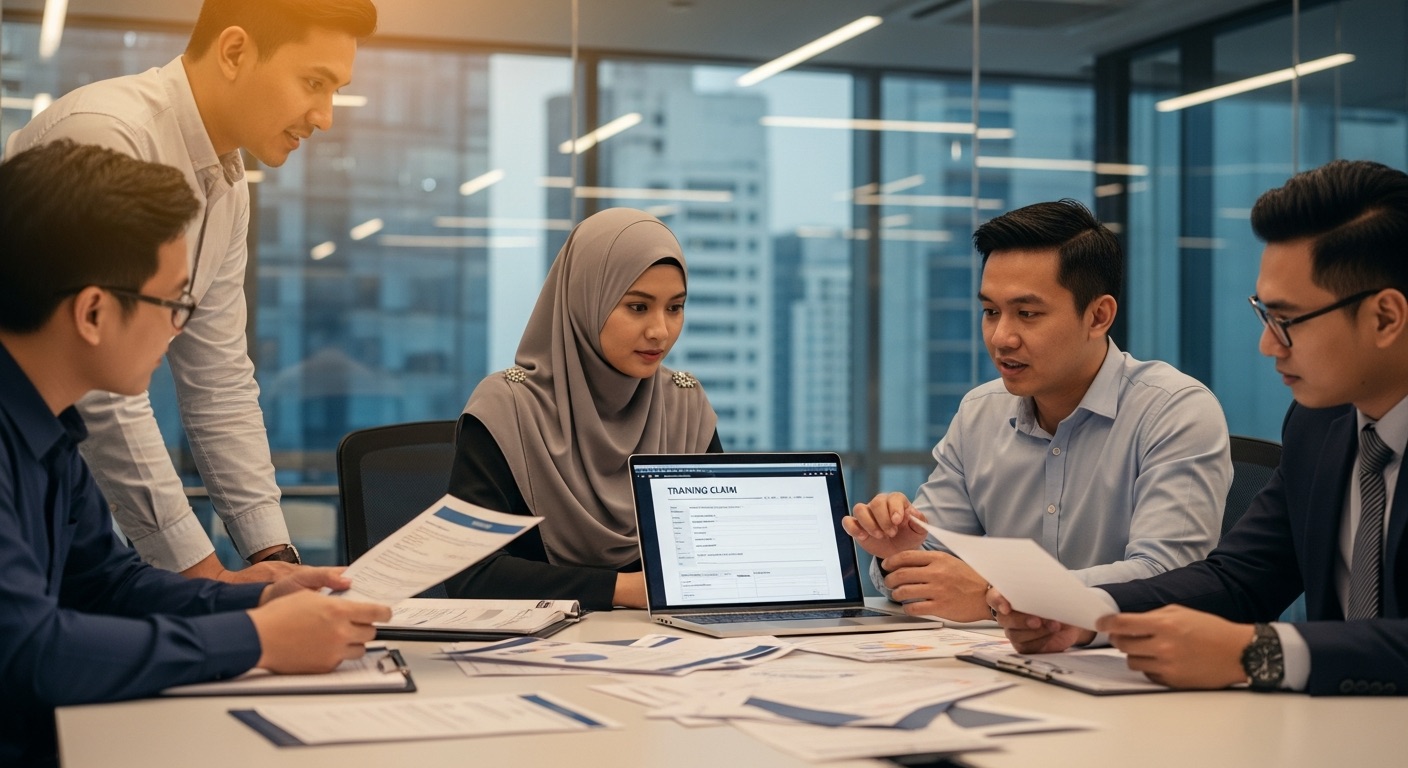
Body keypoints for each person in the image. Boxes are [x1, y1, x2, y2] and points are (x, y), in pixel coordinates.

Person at [0, 141, 391, 766]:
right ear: (94, 311)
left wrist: (256, 598)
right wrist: (255, 639)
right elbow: (29, 651)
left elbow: (105, 584)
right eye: (174, 302)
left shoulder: (49, 433)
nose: (181, 327)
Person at [994, 159, 1408, 696]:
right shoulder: (1321, 424)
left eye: (1286, 319)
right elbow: (1239, 580)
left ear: (1384, 318)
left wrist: (1259, 652)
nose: (1267, 345)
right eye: (1263, 314)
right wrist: (1085, 612)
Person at [4, 0, 379, 581]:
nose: (326, 116)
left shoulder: (226, 185)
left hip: (62, 490)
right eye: (314, 82)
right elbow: (101, 388)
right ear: (234, 51)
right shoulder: (109, 135)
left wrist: (271, 561)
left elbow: (219, 377)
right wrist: (207, 579)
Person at [844, 199, 1232, 622]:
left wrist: (998, 595)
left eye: (1027, 314)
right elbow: (938, 561)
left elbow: (1165, 576)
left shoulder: (1174, 412)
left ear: (1098, 316)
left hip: (1125, 666)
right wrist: (900, 552)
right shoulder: (981, 413)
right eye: (991, 312)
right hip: (1004, 664)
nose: (1002, 338)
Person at [444, 208, 720, 611]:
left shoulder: (684, 406)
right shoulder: (510, 409)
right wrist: (623, 590)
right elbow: (470, 575)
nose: (660, 330)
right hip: (530, 661)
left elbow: (721, 551)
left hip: (663, 656)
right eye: (638, 307)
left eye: (674, 308)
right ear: (585, 300)